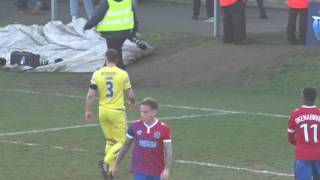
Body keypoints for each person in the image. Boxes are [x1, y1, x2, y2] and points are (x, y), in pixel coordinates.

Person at [85, 49, 136, 179]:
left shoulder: (97, 73)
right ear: (117, 59)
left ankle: (111, 171)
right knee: (123, 141)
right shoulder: (122, 74)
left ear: (106, 58)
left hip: (103, 111)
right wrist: (132, 102)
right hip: (117, 112)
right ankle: (106, 162)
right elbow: (130, 93)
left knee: (111, 141)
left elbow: (91, 95)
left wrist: (88, 110)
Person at [112, 97, 173, 180]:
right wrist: (116, 164)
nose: (142, 115)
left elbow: (168, 151)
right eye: (141, 112)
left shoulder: (164, 129)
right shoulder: (135, 126)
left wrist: (166, 170)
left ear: (153, 112)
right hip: (140, 171)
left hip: (158, 172)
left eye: (145, 112)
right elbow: (126, 146)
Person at [84, 0, 139, 70]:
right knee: (116, 51)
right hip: (125, 32)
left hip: (111, 33)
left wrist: (87, 26)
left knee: (112, 54)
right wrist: (133, 32)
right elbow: (134, 18)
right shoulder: (128, 1)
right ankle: (114, 70)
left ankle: (111, 72)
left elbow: (96, 17)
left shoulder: (107, 2)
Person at [288, 87, 320, 180]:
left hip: (302, 155)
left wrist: (300, 144)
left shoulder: (295, 114)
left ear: (303, 97)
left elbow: (290, 138)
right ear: (315, 97)